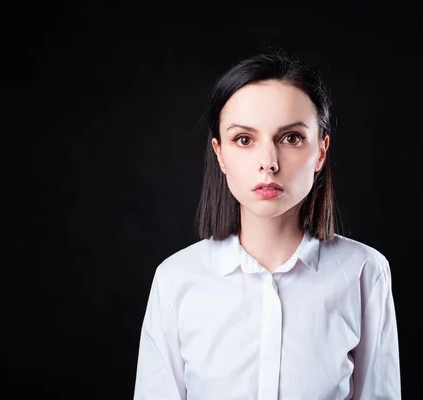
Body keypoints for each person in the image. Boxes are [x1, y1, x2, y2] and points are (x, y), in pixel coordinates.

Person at [133, 50, 401, 400]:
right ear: (220, 154)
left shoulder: (365, 272)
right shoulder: (177, 279)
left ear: (320, 151)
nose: (268, 163)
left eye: (290, 138)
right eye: (244, 140)